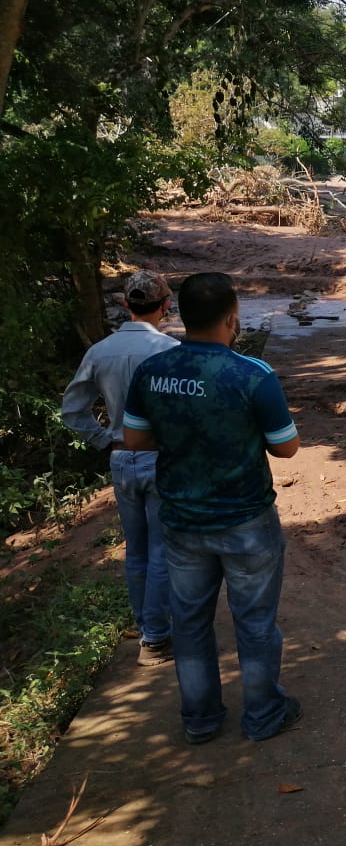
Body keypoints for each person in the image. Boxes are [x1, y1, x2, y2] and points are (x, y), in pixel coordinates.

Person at [122, 272, 302, 744]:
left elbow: (135, 439)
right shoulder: (253, 375)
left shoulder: (152, 372)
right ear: (232, 318)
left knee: (191, 623)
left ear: (179, 313)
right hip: (246, 520)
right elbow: (286, 449)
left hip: (180, 520)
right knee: (256, 622)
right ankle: (263, 715)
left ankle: (200, 720)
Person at [61, 270, 180, 666]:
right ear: (165, 305)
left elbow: (73, 411)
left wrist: (103, 440)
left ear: (125, 304)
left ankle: (148, 628)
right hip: (160, 457)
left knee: (137, 549)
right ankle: (157, 637)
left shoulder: (99, 352)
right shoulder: (169, 351)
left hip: (119, 457)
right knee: (163, 547)